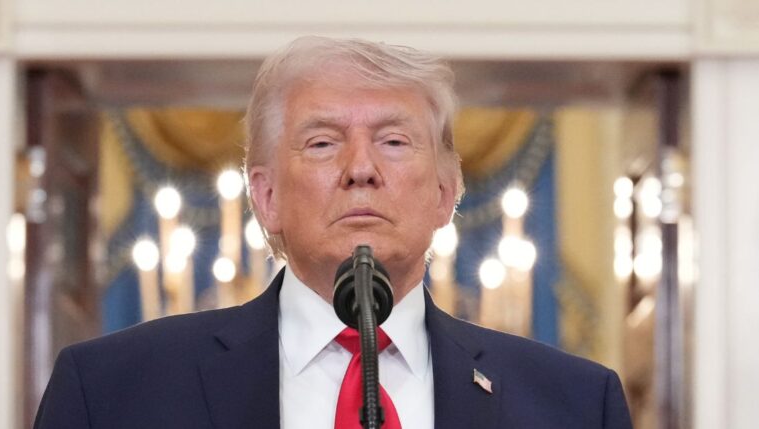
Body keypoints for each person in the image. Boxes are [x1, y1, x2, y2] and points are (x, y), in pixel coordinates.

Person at [34, 36, 632, 429]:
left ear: (446, 193)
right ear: (266, 196)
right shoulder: (112, 391)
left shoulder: (574, 405)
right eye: (322, 143)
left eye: (394, 141)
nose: (361, 168)